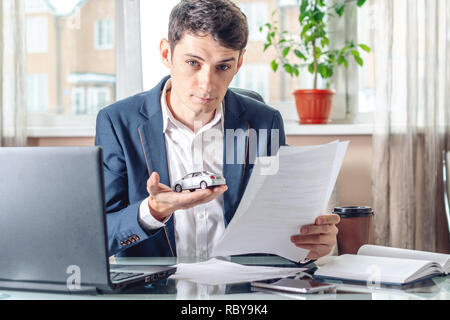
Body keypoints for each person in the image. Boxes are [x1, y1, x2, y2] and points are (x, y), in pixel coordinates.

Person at [95, 0, 340, 262]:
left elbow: (279, 227)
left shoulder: (264, 122)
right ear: (167, 54)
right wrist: (152, 211)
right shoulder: (117, 123)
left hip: (240, 291)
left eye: (223, 66)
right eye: (193, 63)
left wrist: (309, 246)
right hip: (157, 290)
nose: (207, 85)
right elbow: (98, 235)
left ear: (240, 62)